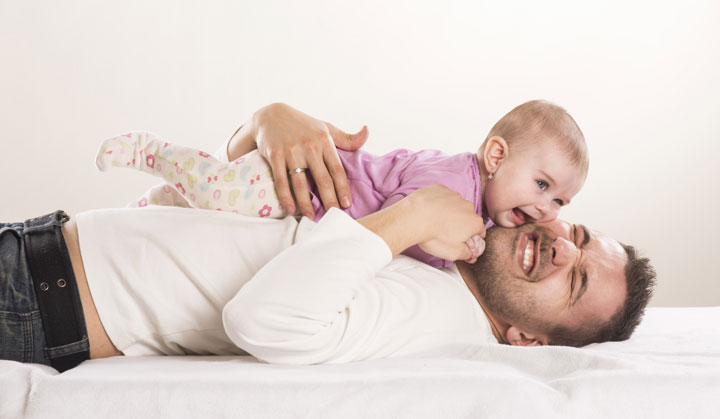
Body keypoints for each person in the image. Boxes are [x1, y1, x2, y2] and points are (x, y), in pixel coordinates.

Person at [0, 104, 655, 372]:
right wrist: (265, 123)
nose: (563, 242)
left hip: (40, 297)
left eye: (576, 279)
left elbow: (265, 319)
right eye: (580, 233)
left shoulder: (436, 309)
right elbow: (258, 209)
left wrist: (419, 212)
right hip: (45, 250)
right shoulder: (446, 250)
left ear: (529, 340)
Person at [94, 100, 587, 267]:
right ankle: (152, 152)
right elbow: (398, 223)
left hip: (299, 203)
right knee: (217, 189)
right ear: (496, 155)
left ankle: (155, 203)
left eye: (561, 200)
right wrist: (446, 250)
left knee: (200, 214)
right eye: (542, 184)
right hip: (300, 185)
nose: (548, 208)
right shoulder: (455, 180)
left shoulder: (476, 204)